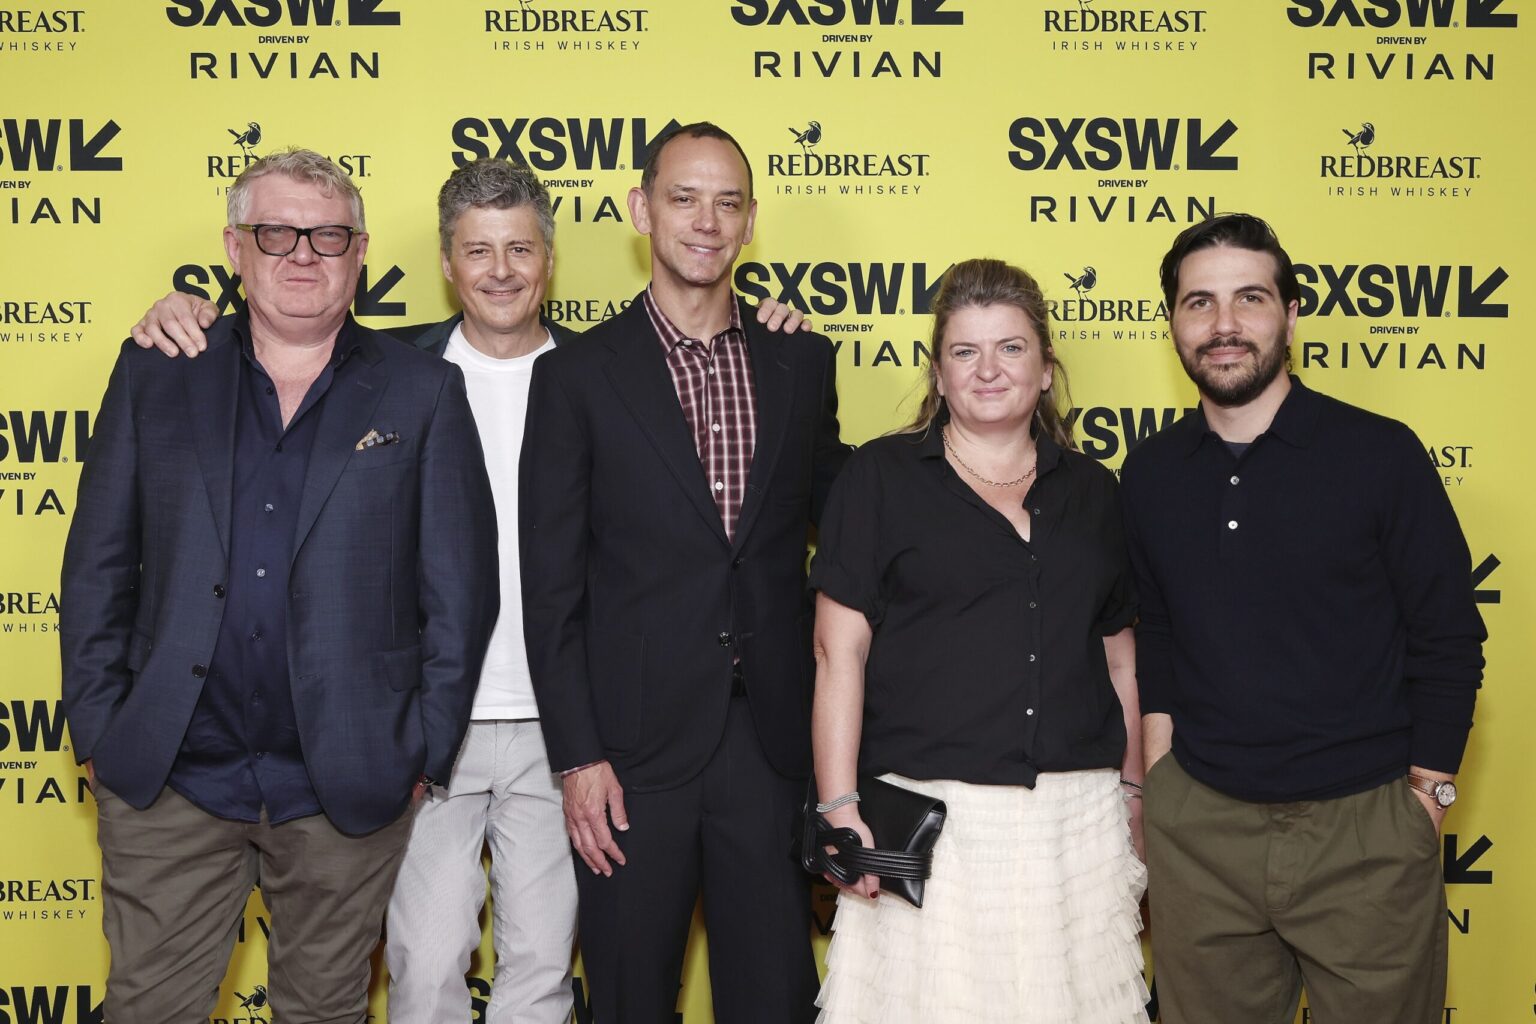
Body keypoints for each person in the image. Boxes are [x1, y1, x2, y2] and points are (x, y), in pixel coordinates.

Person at [126, 156, 808, 1023]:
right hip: (423, 733)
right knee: (425, 961)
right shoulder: (386, 368)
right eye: (477, 251)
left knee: (541, 967)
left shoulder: (612, 373)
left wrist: (763, 325)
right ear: (446, 263)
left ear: (549, 260)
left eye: (520, 249)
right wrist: (183, 310)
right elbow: (269, 346)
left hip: (571, 733)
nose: (500, 271)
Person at [59, 149, 501, 1024]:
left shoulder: (422, 392)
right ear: (235, 247)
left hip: (346, 784)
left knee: (326, 1012)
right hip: (172, 778)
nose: (303, 254)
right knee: (148, 1009)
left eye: (328, 235)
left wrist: (418, 752)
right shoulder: (158, 369)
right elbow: (98, 562)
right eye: (277, 233)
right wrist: (102, 728)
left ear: (360, 250)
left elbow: (459, 590)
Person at [519, 121, 850, 1023]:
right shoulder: (576, 378)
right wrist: (578, 756)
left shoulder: (801, 359)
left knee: (775, 997)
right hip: (628, 754)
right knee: (627, 997)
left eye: (728, 202)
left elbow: (852, 512)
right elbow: (550, 590)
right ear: (641, 210)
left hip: (770, 744)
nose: (707, 221)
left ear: (749, 224)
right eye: (684, 197)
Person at [1121, 213, 1486, 1023]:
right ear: (1173, 323)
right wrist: (1161, 781)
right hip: (1202, 829)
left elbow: (1449, 635)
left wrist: (1427, 800)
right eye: (1198, 303)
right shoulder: (1148, 475)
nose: (1223, 325)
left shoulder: (1381, 454)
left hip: (1367, 831)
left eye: (1249, 298)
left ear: (1291, 315)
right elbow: (1159, 634)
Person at [808, 257, 1149, 1023]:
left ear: (1046, 367)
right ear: (937, 373)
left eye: (1011, 348)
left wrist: (1134, 795)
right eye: (965, 351)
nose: (988, 370)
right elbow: (839, 653)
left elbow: (1120, 659)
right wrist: (838, 804)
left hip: (1077, 823)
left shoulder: (1095, 491)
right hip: (935, 822)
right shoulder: (880, 478)